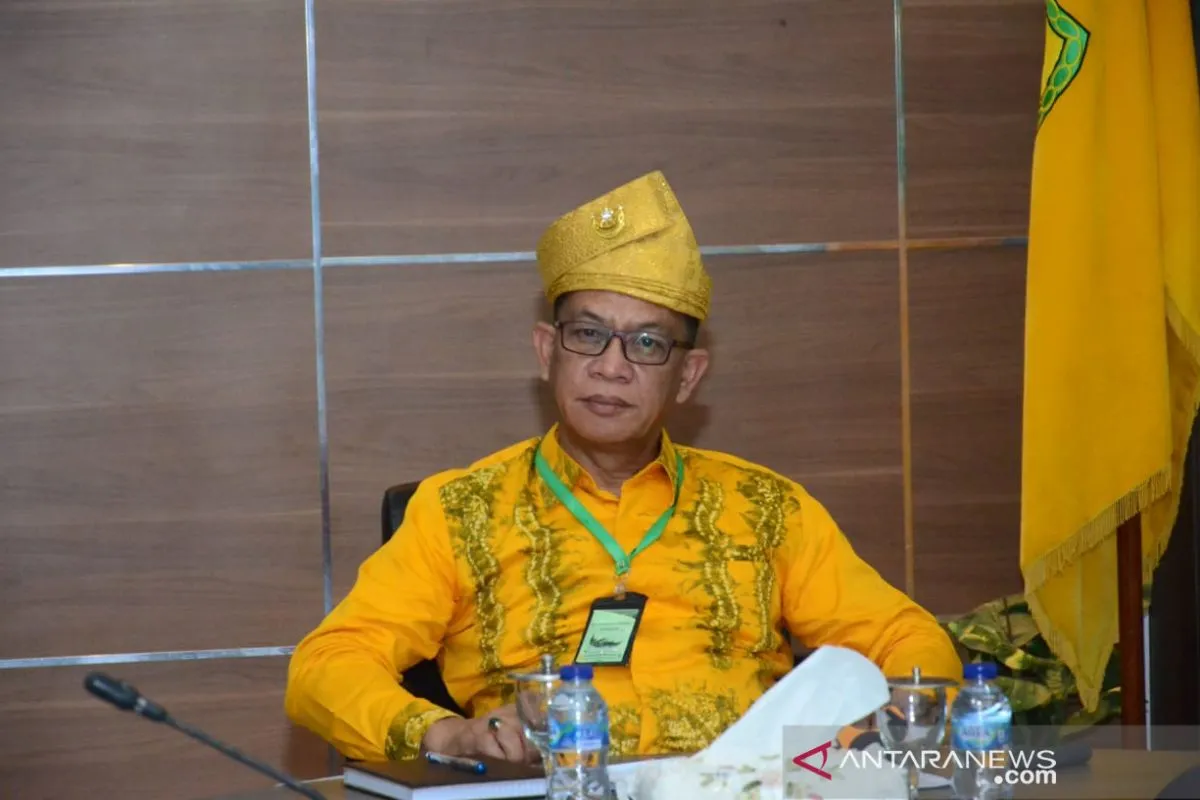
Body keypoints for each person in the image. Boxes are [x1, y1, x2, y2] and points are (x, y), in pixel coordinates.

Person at [283, 170, 961, 766]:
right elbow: (325, 666)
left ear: (688, 375)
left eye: (647, 343)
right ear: (547, 351)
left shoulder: (766, 508)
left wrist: (856, 746)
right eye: (588, 335)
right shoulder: (460, 511)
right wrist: (445, 735)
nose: (611, 367)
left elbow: (907, 638)